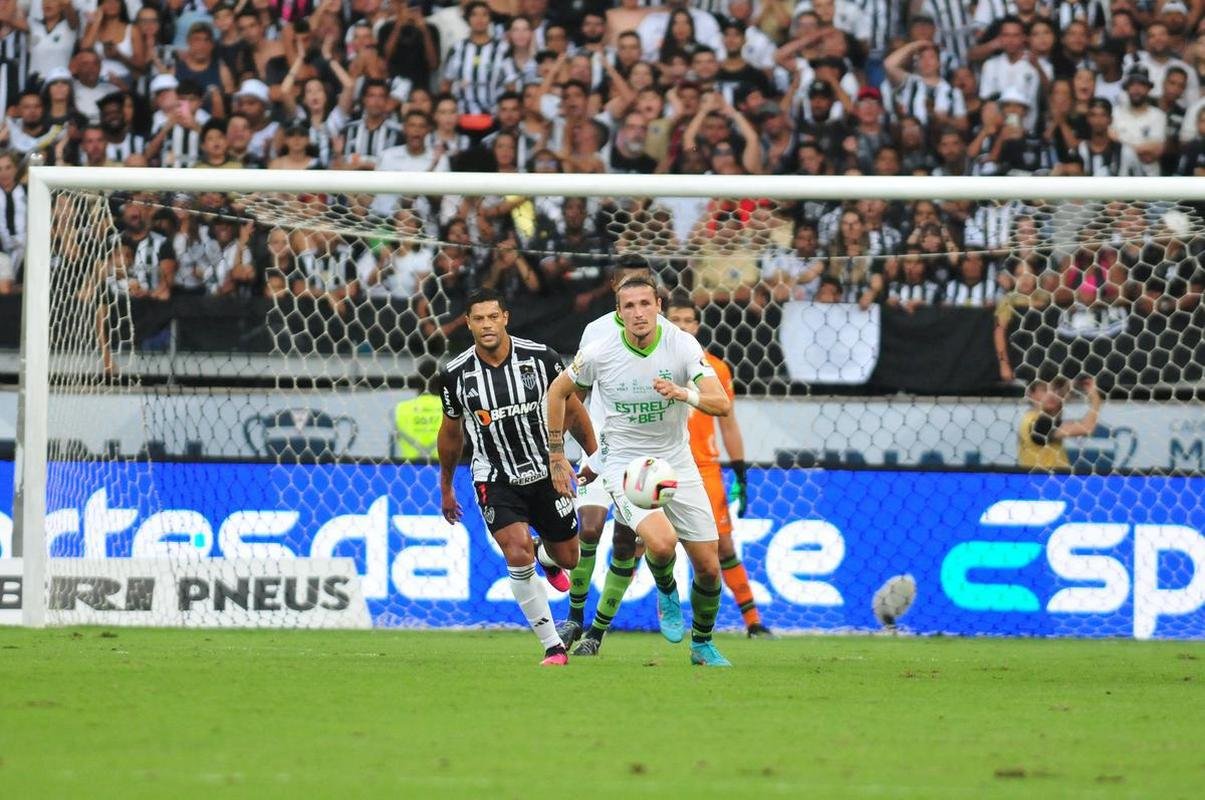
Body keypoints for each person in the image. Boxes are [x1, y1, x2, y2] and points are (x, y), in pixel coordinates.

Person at [546, 275, 735, 667]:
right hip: (625, 464)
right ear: (619, 313)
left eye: (645, 304)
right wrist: (556, 451)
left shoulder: (681, 344)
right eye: (629, 306)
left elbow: (721, 403)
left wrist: (684, 393)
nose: (638, 313)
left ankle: (702, 645)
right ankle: (666, 588)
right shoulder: (600, 352)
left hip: (677, 461)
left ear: (658, 306)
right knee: (661, 544)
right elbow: (557, 392)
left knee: (709, 568)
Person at [437, 288, 598, 666]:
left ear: (505, 318)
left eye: (493, 317)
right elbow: (450, 434)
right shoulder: (455, 374)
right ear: (468, 323)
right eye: (479, 318)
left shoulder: (541, 359)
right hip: (495, 477)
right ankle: (553, 646)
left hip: (546, 472)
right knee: (516, 550)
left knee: (569, 557)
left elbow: (573, 410)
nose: (487, 325)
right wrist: (446, 486)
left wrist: (596, 458)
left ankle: (547, 555)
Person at [555, 254, 662, 656]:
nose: (637, 298)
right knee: (588, 528)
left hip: (645, 457)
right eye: (628, 285)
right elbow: (576, 391)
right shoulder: (596, 332)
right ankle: (574, 616)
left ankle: (597, 633)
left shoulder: (667, 335)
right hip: (600, 448)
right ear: (615, 289)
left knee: (625, 542)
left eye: (644, 286)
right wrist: (564, 447)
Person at [666, 293, 773, 639]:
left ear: (697, 325)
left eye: (688, 320)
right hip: (661, 465)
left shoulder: (716, 368)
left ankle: (753, 621)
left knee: (723, 545)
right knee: (641, 543)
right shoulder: (652, 364)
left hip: (704, 469)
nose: (683, 326)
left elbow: (728, 424)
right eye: (676, 320)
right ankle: (599, 624)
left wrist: (740, 472)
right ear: (665, 322)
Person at [1018, 376, 1102, 470]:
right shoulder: (1040, 424)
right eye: (1044, 390)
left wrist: (1066, 390)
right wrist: (1096, 398)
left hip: (1042, 475)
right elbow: (1087, 428)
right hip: (1048, 477)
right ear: (1030, 394)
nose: (1052, 394)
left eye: (1055, 389)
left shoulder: (1030, 417)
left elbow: (1058, 411)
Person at [393, 358, 442, 461]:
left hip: (410, 468)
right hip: (446, 468)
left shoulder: (401, 409)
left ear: (417, 382)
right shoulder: (453, 408)